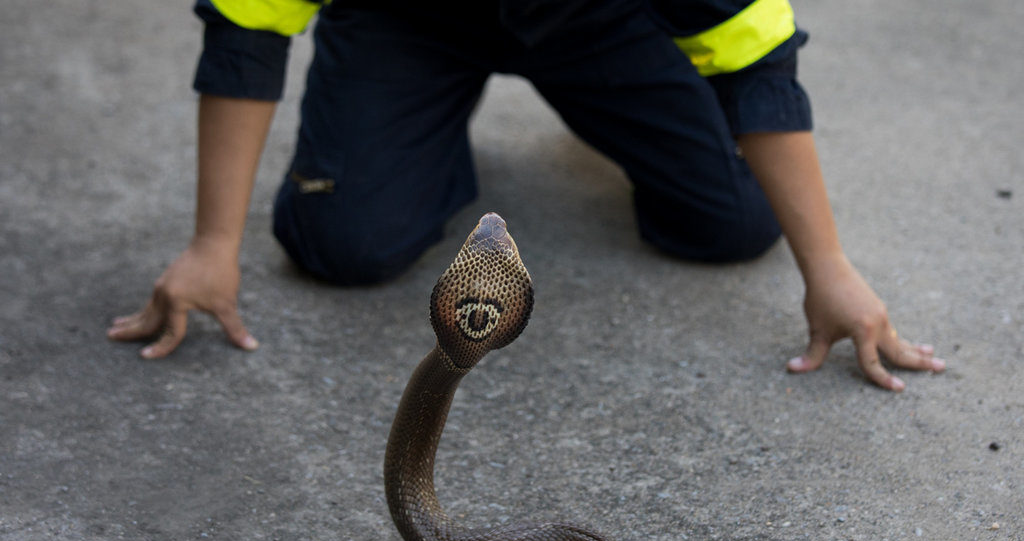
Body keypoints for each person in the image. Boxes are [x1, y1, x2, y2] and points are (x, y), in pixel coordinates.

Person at [107, 0, 944, 391]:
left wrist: (827, 264)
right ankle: (421, 141)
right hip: (410, 19)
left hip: (600, 19)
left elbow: (756, 56)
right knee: (340, 240)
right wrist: (214, 243)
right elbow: (247, 24)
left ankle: (598, 118)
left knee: (735, 218)